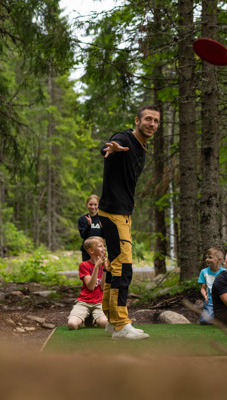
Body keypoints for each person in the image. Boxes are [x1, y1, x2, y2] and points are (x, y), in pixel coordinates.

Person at [99, 105, 160, 340]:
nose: (151, 124)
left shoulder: (143, 147)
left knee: (115, 267)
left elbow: (125, 178)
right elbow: (108, 147)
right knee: (123, 267)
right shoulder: (123, 138)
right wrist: (111, 148)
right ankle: (121, 324)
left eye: (155, 121)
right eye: (147, 119)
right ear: (137, 120)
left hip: (122, 211)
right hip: (113, 213)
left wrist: (128, 199)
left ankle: (111, 320)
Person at [67, 236, 108, 330]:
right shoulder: (84, 265)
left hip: (99, 302)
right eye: (100, 246)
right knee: (72, 325)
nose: (104, 248)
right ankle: (84, 317)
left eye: (104, 246)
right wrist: (96, 267)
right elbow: (91, 287)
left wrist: (105, 269)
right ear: (91, 251)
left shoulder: (107, 265)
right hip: (84, 301)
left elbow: (103, 287)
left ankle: (93, 317)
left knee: (104, 323)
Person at [198, 247, 225, 325]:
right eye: (206, 257)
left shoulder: (224, 272)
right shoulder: (204, 272)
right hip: (210, 303)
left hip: (222, 303)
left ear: (219, 260)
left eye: (210, 257)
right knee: (204, 321)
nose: (207, 259)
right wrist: (205, 296)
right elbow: (203, 288)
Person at [78, 195, 104, 262]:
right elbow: (83, 236)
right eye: (90, 204)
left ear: (98, 205)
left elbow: (105, 236)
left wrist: (102, 228)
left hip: (99, 250)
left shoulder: (102, 219)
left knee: (99, 271)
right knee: (88, 270)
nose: (93, 207)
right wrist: (89, 225)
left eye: (95, 204)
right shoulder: (83, 219)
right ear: (87, 205)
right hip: (87, 250)